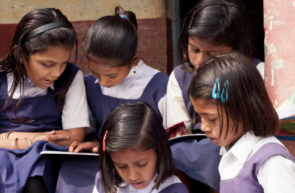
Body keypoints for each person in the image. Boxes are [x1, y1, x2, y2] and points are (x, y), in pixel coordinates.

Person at [167, 1, 264, 191]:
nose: (200, 60)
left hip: (244, 140)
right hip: (201, 142)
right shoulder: (180, 77)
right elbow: (179, 130)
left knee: (217, 151)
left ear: (237, 49)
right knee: (171, 152)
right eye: (194, 49)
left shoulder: (258, 72)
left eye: (213, 53)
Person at [0, 8, 89, 193]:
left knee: (36, 181)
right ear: (20, 53)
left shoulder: (71, 76)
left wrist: (6, 137)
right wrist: (38, 139)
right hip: (1, 157)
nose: (56, 73)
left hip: (49, 157)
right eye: (47, 64)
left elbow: (75, 136)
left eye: (63, 63)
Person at [188, 52, 295, 193]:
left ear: (241, 110)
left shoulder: (271, 162)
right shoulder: (229, 155)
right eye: (200, 118)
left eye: (211, 119)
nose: (204, 127)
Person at [68, 6, 168, 152]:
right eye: (95, 73)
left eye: (111, 75)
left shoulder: (159, 85)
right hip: (101, 160)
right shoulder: (88, 83)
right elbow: (89, 131)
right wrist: (94, 143)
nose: (102, 82)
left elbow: (174, 137)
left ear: (134, 60)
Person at [93, 102, 188, 193]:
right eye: (121, 166)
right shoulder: (104, 182)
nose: (133, 176)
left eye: (142, 164)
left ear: (160, 149)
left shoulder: (175, 190)